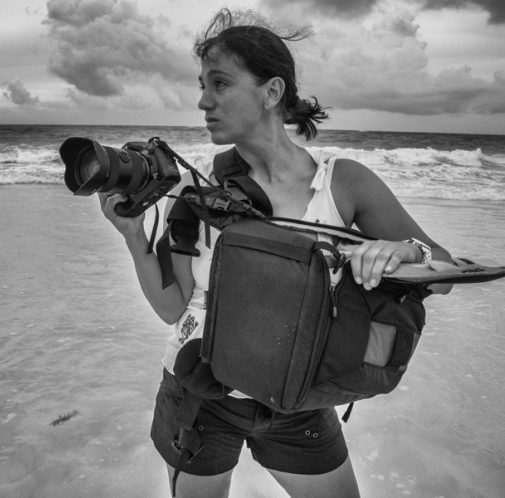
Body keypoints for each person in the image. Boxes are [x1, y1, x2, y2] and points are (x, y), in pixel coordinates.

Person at [97, 8, 452, 498]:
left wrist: (403, 252)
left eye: (219, 84)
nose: (203, 101)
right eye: (201, 85)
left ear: (272, 91)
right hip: (199, 393)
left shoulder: (342, 181)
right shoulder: (193, 189)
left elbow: (446, 270)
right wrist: (134, 238)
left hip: (299, 400)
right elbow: (174, 309)